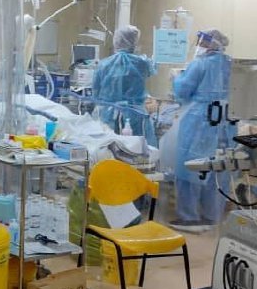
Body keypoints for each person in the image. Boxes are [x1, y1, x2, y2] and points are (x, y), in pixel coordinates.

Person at [168, 29, 235, 232]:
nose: (198, 45)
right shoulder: (231, 64)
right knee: (219, 167)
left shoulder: (200, 64)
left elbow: (182, 91)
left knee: (190, 166)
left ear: (208, 43)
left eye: (200, 42)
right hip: (227, 120)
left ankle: (189, 217)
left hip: (201, 120)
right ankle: (212, 215)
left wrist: (175, 78)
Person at [91, 25, 157, 145]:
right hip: (135, 116)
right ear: (134, 41)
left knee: (109, 150)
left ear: (116, 41)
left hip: (108, 115)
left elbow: (95, 93)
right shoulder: (142, 63)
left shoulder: (104, 64)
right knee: (135, 151)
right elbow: (151, 69)